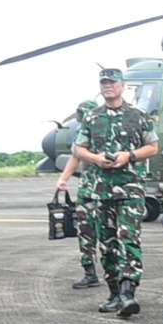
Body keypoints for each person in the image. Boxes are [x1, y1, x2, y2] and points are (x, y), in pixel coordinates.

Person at [73, 68, 159, 316]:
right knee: (108, 243)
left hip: (130, 188)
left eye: (112, 82)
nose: (108, 86)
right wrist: (96, 158)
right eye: (104, 83)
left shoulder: (138, 116)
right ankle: (113, 292)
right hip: (101, 191)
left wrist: (129, 156)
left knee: (128, 238)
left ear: (122, 86)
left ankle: (128, 292)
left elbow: (152, 147)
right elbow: (80, 149)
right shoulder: (92, 118)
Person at [56, 98, 102, 288]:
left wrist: (64, 179)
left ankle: (110, 275)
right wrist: (64, 179)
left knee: (105, 235)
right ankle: (91, 274)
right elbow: (76, 157)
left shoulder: (104, 130)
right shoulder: (82, 133)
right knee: (85, 231)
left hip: (106, 190)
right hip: (89, 189)